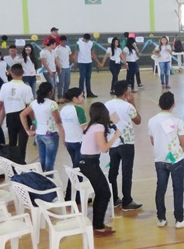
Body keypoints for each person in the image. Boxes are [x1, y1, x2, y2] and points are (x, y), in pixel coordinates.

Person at [145, 91, 184, 229]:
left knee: (160, 189)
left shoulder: (152, 121)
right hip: (176, 159)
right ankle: (179, 220)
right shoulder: (177, 121)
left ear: (159, 104)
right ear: (173, 105)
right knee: (178, 189)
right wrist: (176, 153)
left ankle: (161, 218)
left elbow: (153, 141)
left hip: (159, 159)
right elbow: (183, 142)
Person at [80, 102, 121, 236]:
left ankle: (98, 224)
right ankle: (98, 226)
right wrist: (115, 136)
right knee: (104, 193)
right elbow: (104, 149)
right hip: (90, 163)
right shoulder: (98, 127)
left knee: (101, 192)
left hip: (86, 162)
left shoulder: (90, 126)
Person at [105, 81, 143, 210]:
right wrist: (132, 102)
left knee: (113, 171)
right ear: (125, 92)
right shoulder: (127, 106)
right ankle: (127, 200)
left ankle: (114, 198)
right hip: (126, 143)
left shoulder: (107, 105)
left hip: (112, 141)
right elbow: (138, 120)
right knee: (127, 172)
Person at [20, 82, 63, 173]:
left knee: (42, 160)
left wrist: (27, 130)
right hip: (51, 134)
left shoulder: (34, 103)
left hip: (39, 134)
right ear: (50, 92)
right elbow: (57, 120)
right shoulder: (52, 104)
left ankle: (41, 179)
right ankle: (49, 181)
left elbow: (22, 115)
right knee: (50, 162)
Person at [0, 64, 34, 163]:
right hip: (24, 117)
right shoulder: (27, 88)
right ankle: (21, 163)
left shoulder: (4, 86)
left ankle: (12, 164)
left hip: (10, 117)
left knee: (12, 143)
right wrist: (34, 121)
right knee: (22, 143)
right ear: (22, 73)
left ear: (11, 73)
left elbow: (0, 104)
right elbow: (30, 107)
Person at [59, 87, 86, 201]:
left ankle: (73, 193)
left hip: (69, 142)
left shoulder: (63, 110)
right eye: (81, 96)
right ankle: (74, 195)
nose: (83, 98)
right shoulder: (78, 110)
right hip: (79, 142)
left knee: (75, 167)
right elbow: (84, 127)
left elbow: (63, 127)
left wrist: (64, 140)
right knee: (78, 170)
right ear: (75, 98)